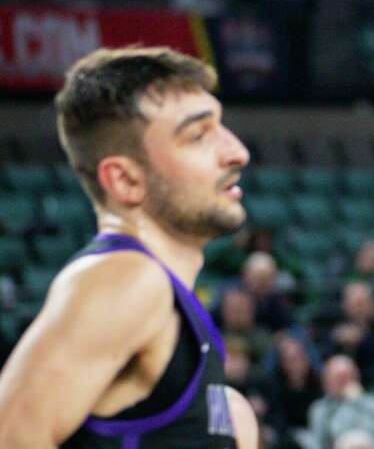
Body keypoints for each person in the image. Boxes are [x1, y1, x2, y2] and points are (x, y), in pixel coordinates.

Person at [0, 46, 258, 447]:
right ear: (124, 180)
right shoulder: (127, 278)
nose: (236, 151)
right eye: (197, 135)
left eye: (221, 126)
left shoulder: (168, 308)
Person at [306, 355, 374, 449]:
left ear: (356, 377)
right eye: (338, 378)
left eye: (347, 377)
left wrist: (359, 401)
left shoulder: (372, 402)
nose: (343, 382)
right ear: (327, 381)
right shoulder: (320, 408)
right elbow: (320, 442)